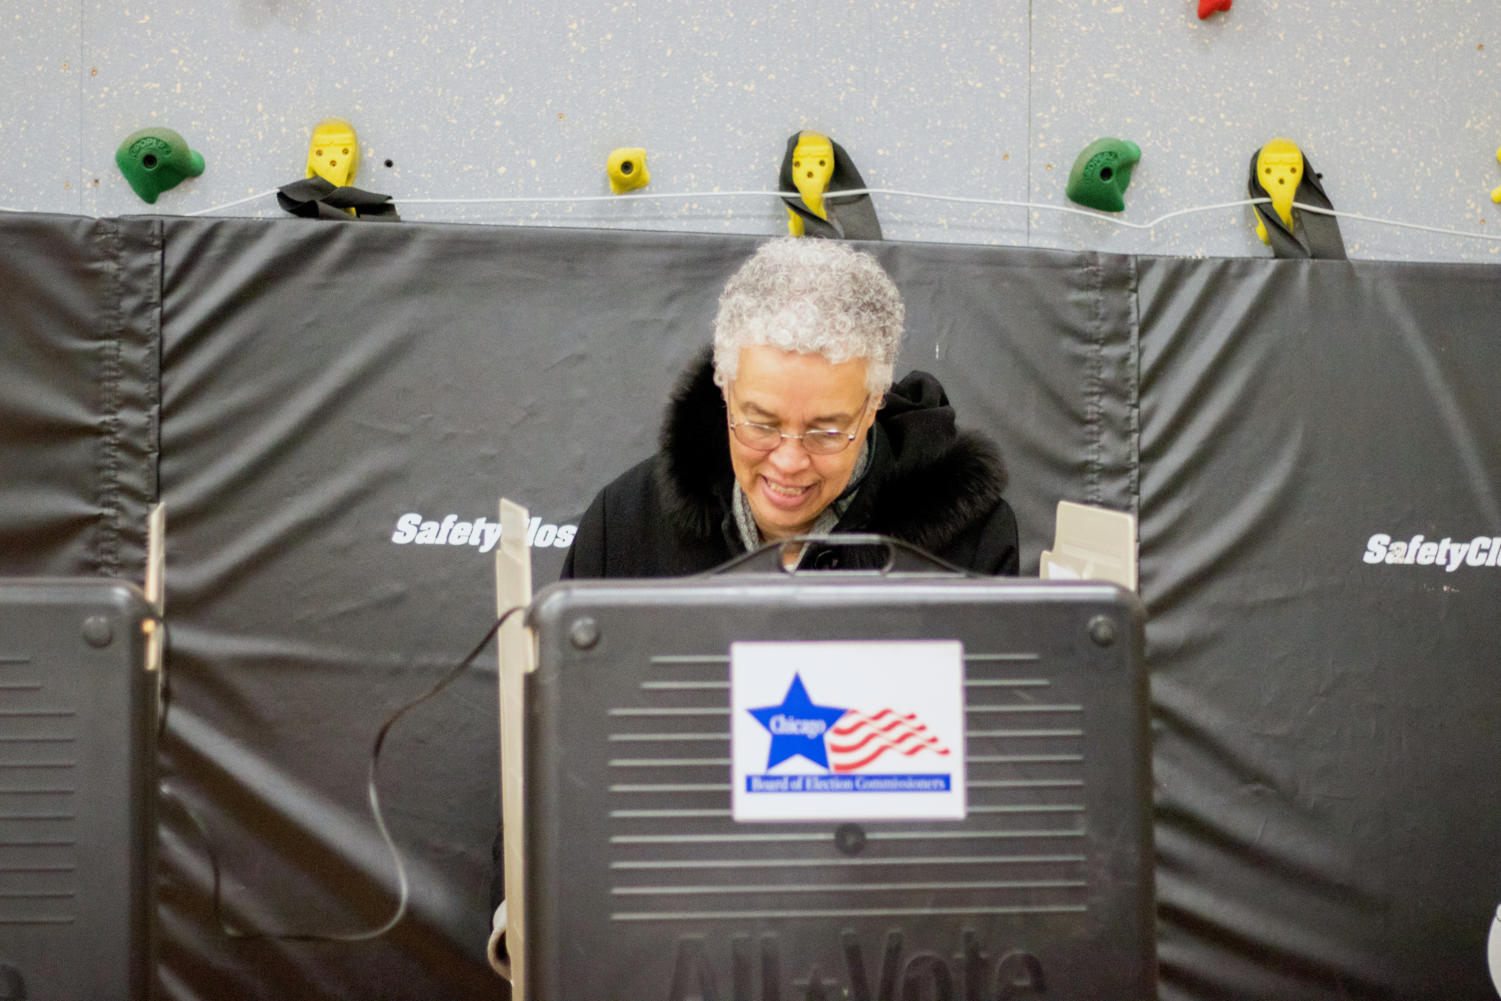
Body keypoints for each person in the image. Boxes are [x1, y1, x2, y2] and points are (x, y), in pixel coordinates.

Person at [561, 236, 1019, 578]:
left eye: (825, 432)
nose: (789, 461)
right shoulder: (621, 526)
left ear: (873, 403)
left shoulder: (970, 547)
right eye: (761, 424)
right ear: (724, 387)